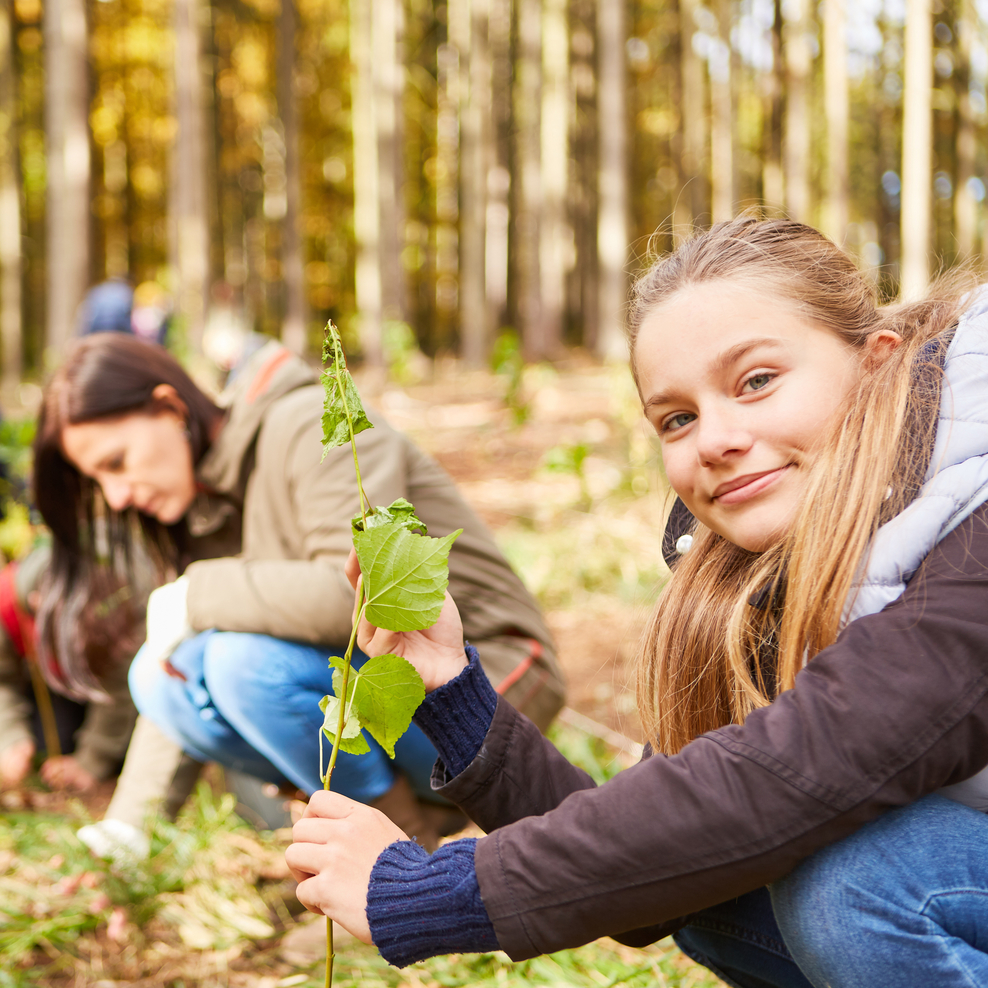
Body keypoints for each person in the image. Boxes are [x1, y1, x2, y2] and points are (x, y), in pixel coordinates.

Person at [285, 216, 988, 988]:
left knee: (858, 882)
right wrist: (453, 689)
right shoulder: (759, 580)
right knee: (706, 882)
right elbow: (652, 882)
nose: (715, 439)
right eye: (677, 418)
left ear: (878, 362)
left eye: (756, 381)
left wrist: (434, 893)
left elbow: (802, 767)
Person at [32, 333, 564, 852]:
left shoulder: (311, 422)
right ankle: (394, 846)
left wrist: (196, 592)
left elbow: (363, 598)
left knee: (240, 664)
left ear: (170, 408)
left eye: (116, 462)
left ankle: (393, 864)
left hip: (488, 684)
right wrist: (128, 832)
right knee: (159, 675)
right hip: (392, 697)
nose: (117, 496)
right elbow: (180, 663)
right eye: (98, 481)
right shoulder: (208, 498)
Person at [0, 545, 139, 791]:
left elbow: (119, 683)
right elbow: (3, 682)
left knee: (126, 754)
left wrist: (92, 761)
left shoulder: (108, 601)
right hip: (48, 685)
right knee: (53, 747)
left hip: (101, 685)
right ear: (36, 602)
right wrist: (10, 737)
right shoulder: (5, 604)